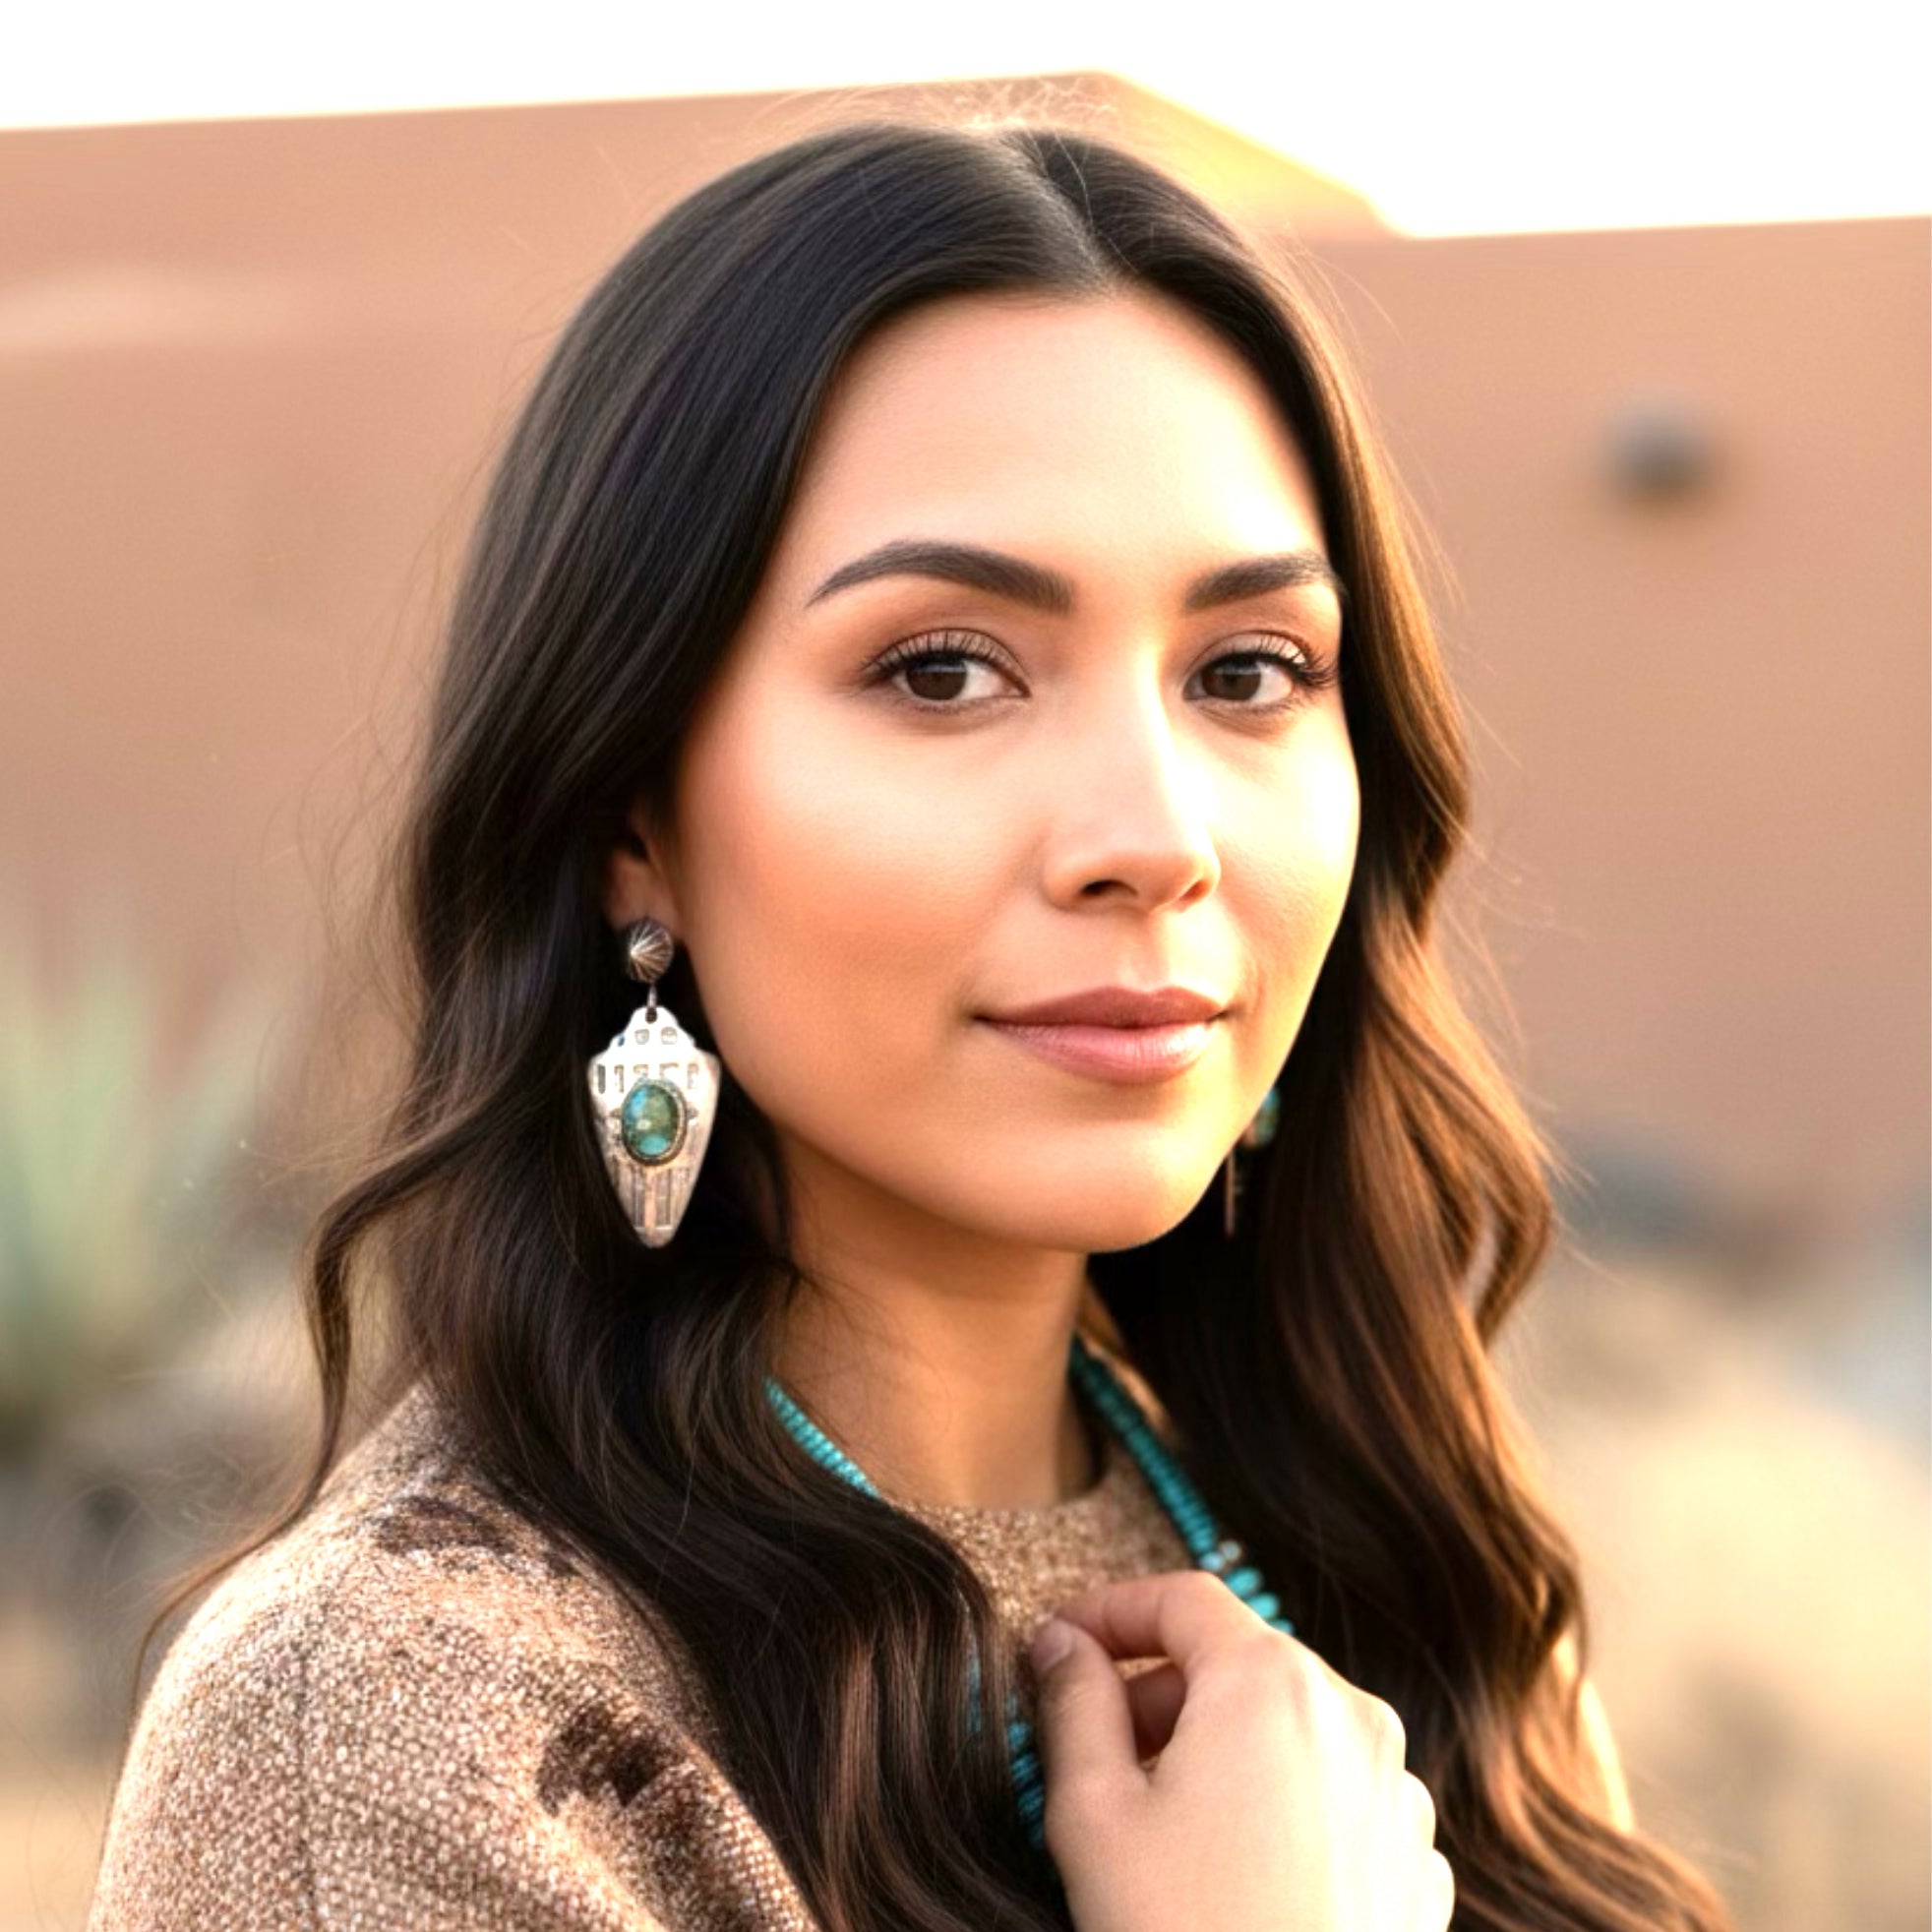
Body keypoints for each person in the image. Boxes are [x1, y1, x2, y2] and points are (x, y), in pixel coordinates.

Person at [87, 117, 1736, 1932]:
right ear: (636, 818)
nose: (1155, 839)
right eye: (944, 669)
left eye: (1247, 673)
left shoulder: (1392, 1575)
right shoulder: (414, 1731)